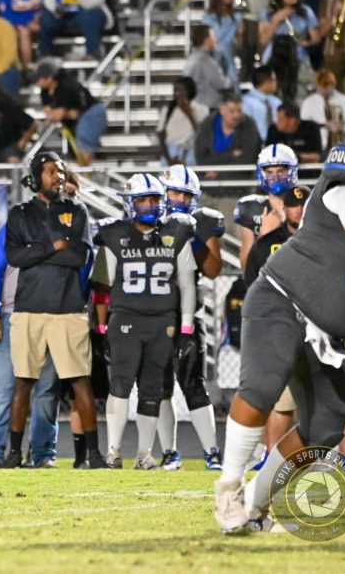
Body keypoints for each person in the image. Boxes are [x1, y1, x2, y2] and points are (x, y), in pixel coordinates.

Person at [213, 126, 345, 534]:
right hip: (284, 301)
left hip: (333, 335)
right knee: (262, 387)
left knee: (324, 427)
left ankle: (256, 502)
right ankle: (228, 486)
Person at [5, 151, 106, 469]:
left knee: (80, 382)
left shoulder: (77, 210)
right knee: (23, 382)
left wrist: (37, 251)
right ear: (36, 177)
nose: (58, 177)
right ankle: (14, 454)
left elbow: (80, 257)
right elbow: (15, 257)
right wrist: (54, 246)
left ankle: (93, 455)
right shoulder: (19, 213)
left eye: (60, 171)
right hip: (29, 309)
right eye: (50, 171)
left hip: (68, 309)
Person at [91, 174, 196, 469]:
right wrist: (100, 328)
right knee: (120, 384)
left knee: (152, 389)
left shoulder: (176, 233)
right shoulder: (115, 235)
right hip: (125, 319)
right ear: (129, 203)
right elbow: (101, 287)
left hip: (163, 322)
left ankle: (143, 453)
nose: (149, 205)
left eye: (154, 199)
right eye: (143, 200)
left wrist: (186, 328)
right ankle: (113, 451)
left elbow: (187, 285)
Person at [156, 165, 227, 471]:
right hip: (153, 314)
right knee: (159, 388)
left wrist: (193, 239)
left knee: (193, 383)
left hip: (186, 313)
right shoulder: (149, 221)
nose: (180, 200)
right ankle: (169, 453)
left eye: (186, 195)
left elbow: (212, 269)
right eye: (175, 193)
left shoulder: (202, 222)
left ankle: (211, 452)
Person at [0, 221, 60, 469]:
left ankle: (42, 453)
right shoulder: (15, 225)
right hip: (13, 314)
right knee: (2, 390)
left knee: (46, 390)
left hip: (50, 315)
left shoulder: (64, 226)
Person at [234, 144, 300, 270]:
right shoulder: (251, 207)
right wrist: (263, 236)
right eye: (269, 172)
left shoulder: (306, 204)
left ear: (291, 171)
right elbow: (246, 268)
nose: (275, 178)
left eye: (280, 171)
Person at [35, 58, 107, 166]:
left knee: (83, 143)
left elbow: (58, 115)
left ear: (49, 78)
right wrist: (66, 114)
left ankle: (87, 171)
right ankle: (85, 171)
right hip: (76, 121)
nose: (37, 82)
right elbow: (50, 113)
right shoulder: (44, 91)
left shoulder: (65, 85)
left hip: (90, 114)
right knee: (74, 151)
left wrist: (62, 114)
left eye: (39, 78)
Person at [193, 92, 262, 181]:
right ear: (222, 110)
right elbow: (201, 157)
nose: (236, 115)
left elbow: (249, 158)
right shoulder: (207, 125)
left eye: (239, 111)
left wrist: (219, 172)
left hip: (239, 181)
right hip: (208, 179)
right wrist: (231, 155)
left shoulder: (250, 126)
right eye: (232, 111)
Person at [259, 0, 320, 75]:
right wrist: (275, 21)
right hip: (274, 57)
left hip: (298, 57)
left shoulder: (305, 12)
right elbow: (263, 40)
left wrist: (306, 43)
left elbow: (316, 38)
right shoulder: (268, 14)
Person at [300, 68, 345, 149]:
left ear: (333, 84)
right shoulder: (308, 103)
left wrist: (343, 127)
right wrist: (324, 125)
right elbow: (302, 129)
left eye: (326, 87)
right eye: (320, 87)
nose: (323, 90)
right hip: (317, 149)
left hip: (342, 149)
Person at [157, 76, 208, 165]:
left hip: (191, 152)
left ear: (190, 91)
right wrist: (169, 160)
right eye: (176, 90)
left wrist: (189, 114)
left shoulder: (202, 109)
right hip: (170, 153)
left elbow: (202, 137)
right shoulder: (167, 110)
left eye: (182, 90)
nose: (178, 94)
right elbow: (161, 137)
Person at [200, 0, 242, 82]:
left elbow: (239, 45)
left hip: (230, 66)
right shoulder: (208, 19)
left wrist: (241, 33)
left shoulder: (237, 18)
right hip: (213, 65)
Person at [182, 24, 231, 110]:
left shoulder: (191, 58)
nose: (215, 40)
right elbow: (220, 84)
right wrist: (233, 81)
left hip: (196, 105)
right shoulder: (205, 60)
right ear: (206, 40)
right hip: (208, 107)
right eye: (213, 36)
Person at [241, 65, 282, 142]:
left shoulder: (276, 102)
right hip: (254, 144)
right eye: (274, 80)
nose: (276, 83)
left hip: (277, 144)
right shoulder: (246, 103)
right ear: (267, 82)